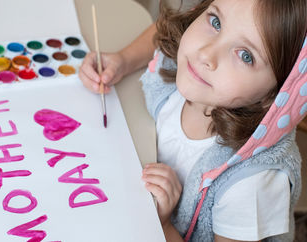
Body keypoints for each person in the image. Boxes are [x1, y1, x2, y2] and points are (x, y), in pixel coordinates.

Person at [79, 0, 307, 241]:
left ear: (275, 96)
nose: (206, 53)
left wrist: (163, 225)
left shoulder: (251, 184)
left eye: (245, 56)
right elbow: (164, 32)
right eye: (216, 22)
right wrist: (123, 60)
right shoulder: (195, 74)